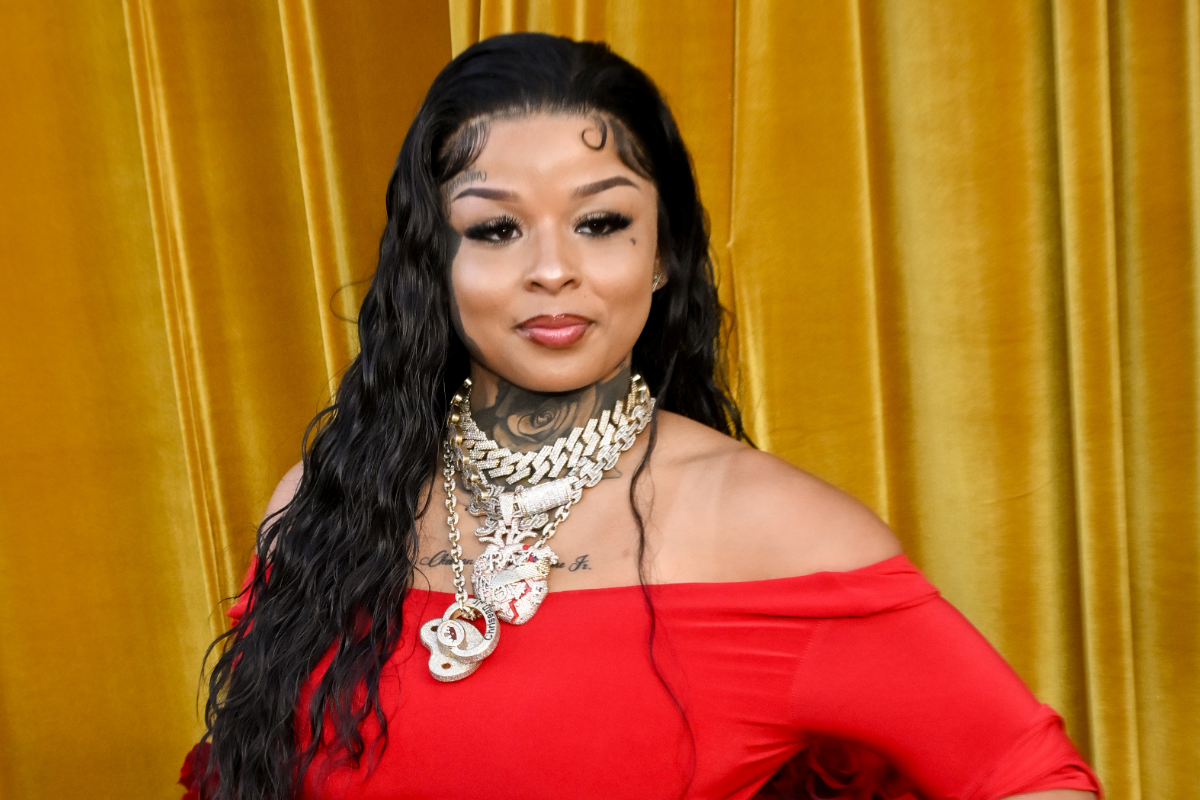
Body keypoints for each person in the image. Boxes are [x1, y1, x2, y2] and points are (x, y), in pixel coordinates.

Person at [184, 33, 1102, 800]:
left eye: (600, 223)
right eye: (496, 229)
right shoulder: (321, 502)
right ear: (433, 265)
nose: (553, 269)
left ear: (662, 256)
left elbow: (1027, 774)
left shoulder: (772, 528)